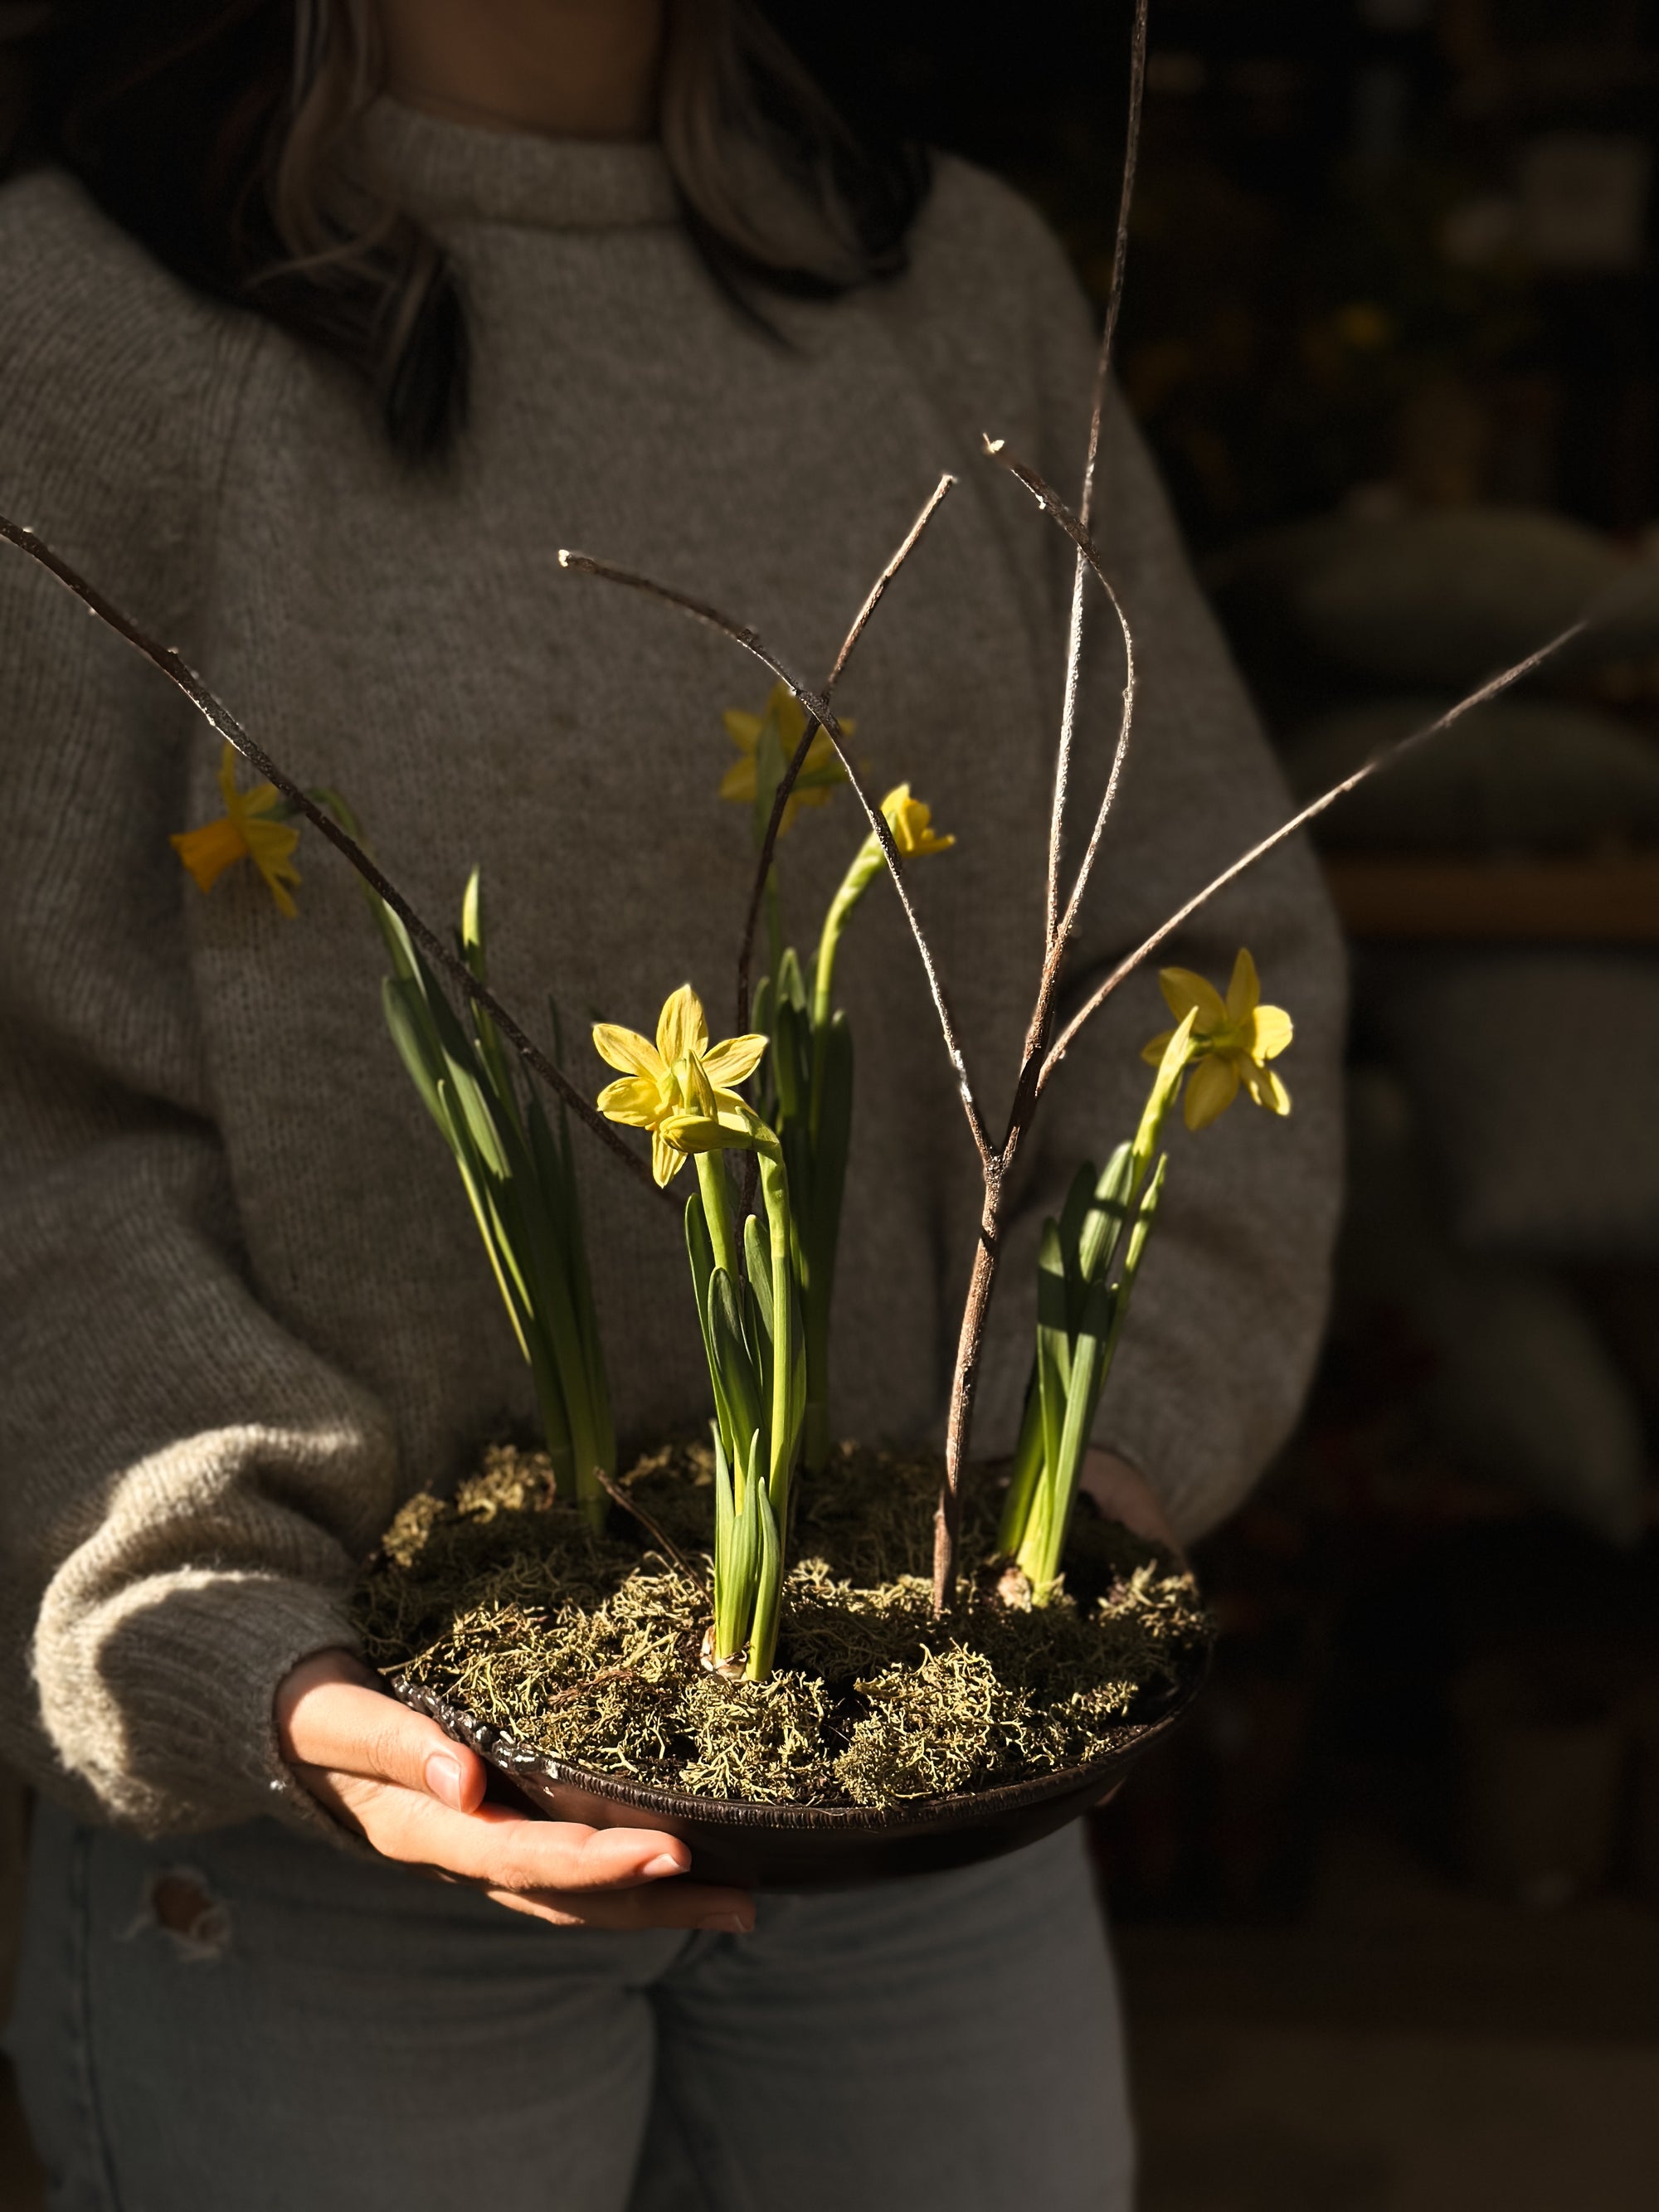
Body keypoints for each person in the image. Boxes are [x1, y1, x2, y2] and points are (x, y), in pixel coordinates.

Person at [0, 3, 1345, 2205]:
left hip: (932, 1781)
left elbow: (1195, 943)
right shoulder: (81, 321)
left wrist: (1077, 1490)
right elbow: (33, 1124)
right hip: (341, 1843)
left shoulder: (954, 285)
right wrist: (240, 1642)